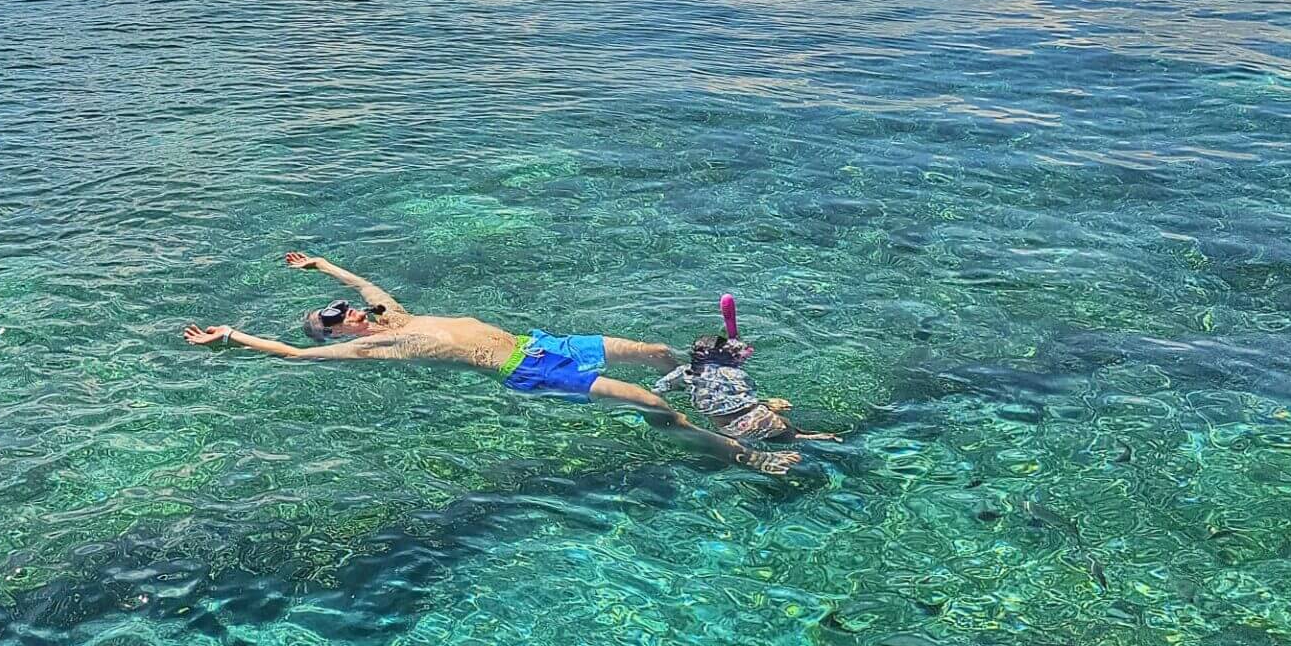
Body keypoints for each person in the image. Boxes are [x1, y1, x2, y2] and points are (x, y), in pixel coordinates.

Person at [182, 252, 801, 474]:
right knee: (652, 406)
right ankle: (744, 455)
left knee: (661, 355)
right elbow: (291, 355)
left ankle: (728, 406)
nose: (344, 311)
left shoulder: (392, 314)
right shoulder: (372, 344)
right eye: (332, 317)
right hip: (528, 372)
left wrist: (321, 266)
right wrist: (232, 337)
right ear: (338, 335)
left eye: (338, 307)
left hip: (543, 342)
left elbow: (364, 280)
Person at [652, 295, 840, 444]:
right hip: (759, 417)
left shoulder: (685, 372)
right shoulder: (732, 373)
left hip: (728, 427)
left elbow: (660, 388)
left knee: (777, 437)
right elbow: (745, 393)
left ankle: (803, 438)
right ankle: (808, 436)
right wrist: (765, 403)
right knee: (790, 431)